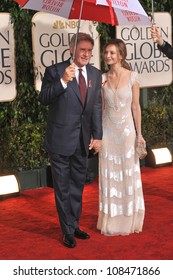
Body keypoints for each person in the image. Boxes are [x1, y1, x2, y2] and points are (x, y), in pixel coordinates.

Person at [39, 32, 102, 248]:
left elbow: (95, 107)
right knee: (63, 188)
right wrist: (63, 81)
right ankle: (67, 231)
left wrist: (98, 136)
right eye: (82, 49)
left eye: (89, 51)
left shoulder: (95, 73)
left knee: (78, 186)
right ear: (71, 49)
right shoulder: (55, 71)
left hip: (82, 141)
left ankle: (74, 224)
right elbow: (44, 98)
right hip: (60, 141)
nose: (86, 54)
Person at [97, 39, 146, 236]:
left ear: (121, 55)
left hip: (127, 133)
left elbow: (136, 106)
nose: (108, 56)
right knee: (109, 173)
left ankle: (129, 219)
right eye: (106, 52)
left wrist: (139, 134)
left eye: (112, 53)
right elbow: (100, 108)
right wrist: (97, 134)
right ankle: (111, 220)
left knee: (127, 173)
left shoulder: (132, 76)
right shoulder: (102, 78)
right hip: (107, 132)